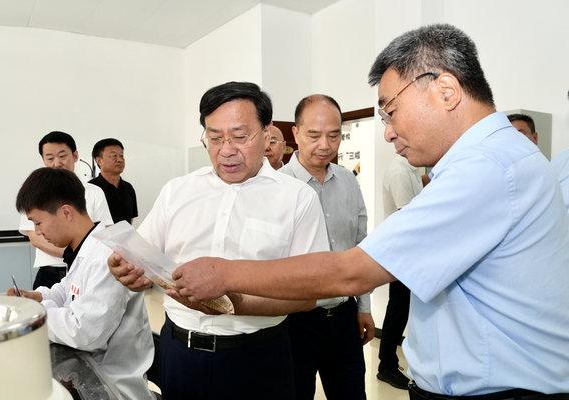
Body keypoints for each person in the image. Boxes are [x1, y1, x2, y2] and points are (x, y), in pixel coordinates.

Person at [172, 24, 569, 398]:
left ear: (446, 91)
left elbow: (351, 270)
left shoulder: (487, 168)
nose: (389, 131)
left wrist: (223, 273)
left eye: (391, 111)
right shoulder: (496, 159)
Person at [108, 81, 329, 400]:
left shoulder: (297, 198)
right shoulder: (177, 191)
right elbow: (142, 255)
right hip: (179, 352)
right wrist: (126, 269)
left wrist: (232, 304)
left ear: (267, 134)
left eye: (239, 136)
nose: (226, 150)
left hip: (257, 357)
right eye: (214, 138)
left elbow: (307, 294)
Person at [9, 167, 154, 400]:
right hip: (91, 376)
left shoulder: (107, 255)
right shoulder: (85, 247)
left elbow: (85, 332)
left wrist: (35, 313)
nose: (37, 232)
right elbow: (69, 289)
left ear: (66, 212)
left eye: (38, 222)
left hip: (113, 388)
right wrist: (40, 297)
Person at [280, 94, 373, 400]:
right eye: (314, 135)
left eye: (334, 136)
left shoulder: (348, 181)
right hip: (294, 320)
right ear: (296, 133)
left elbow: (360, 247)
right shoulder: (276, 187)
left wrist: (364, 308)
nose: (325, 145)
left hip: (344, 317)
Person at [19, 131, 113, 289]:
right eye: (50, 158)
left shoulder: (94, 192)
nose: (57, 163)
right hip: (51, 273)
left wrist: (82, 258)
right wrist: (72, 254)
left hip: (88, 270)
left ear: (75, 156)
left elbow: (105, 232)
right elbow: (35, 237)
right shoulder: (34, 192)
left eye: (62, 156)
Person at [377, 153, 424, 389]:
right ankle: (386, 366)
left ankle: (390, 363)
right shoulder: (399, 172)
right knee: (398, 308)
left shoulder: (412, 168)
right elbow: (408, 216)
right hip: (402, 251)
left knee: (402, 308)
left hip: (411, 251)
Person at [89, 138, 138, 224]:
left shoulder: (128, 188)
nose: (120, 160)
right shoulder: (90, 189)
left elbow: (130, 220)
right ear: (99, 160)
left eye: (121, 156)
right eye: (114, 156)